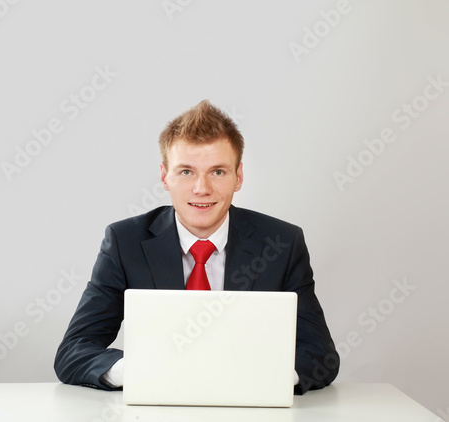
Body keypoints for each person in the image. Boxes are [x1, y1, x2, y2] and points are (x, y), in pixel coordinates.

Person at [54, 100, 339, 394]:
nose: (202, 188)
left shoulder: (281, 244)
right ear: (165, 176)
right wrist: (144, 370)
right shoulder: (124, 243)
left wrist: (263, 376)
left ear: (238, 177)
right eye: (186, 172)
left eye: (217, 172)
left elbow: (321, 355)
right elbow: (74, 350)